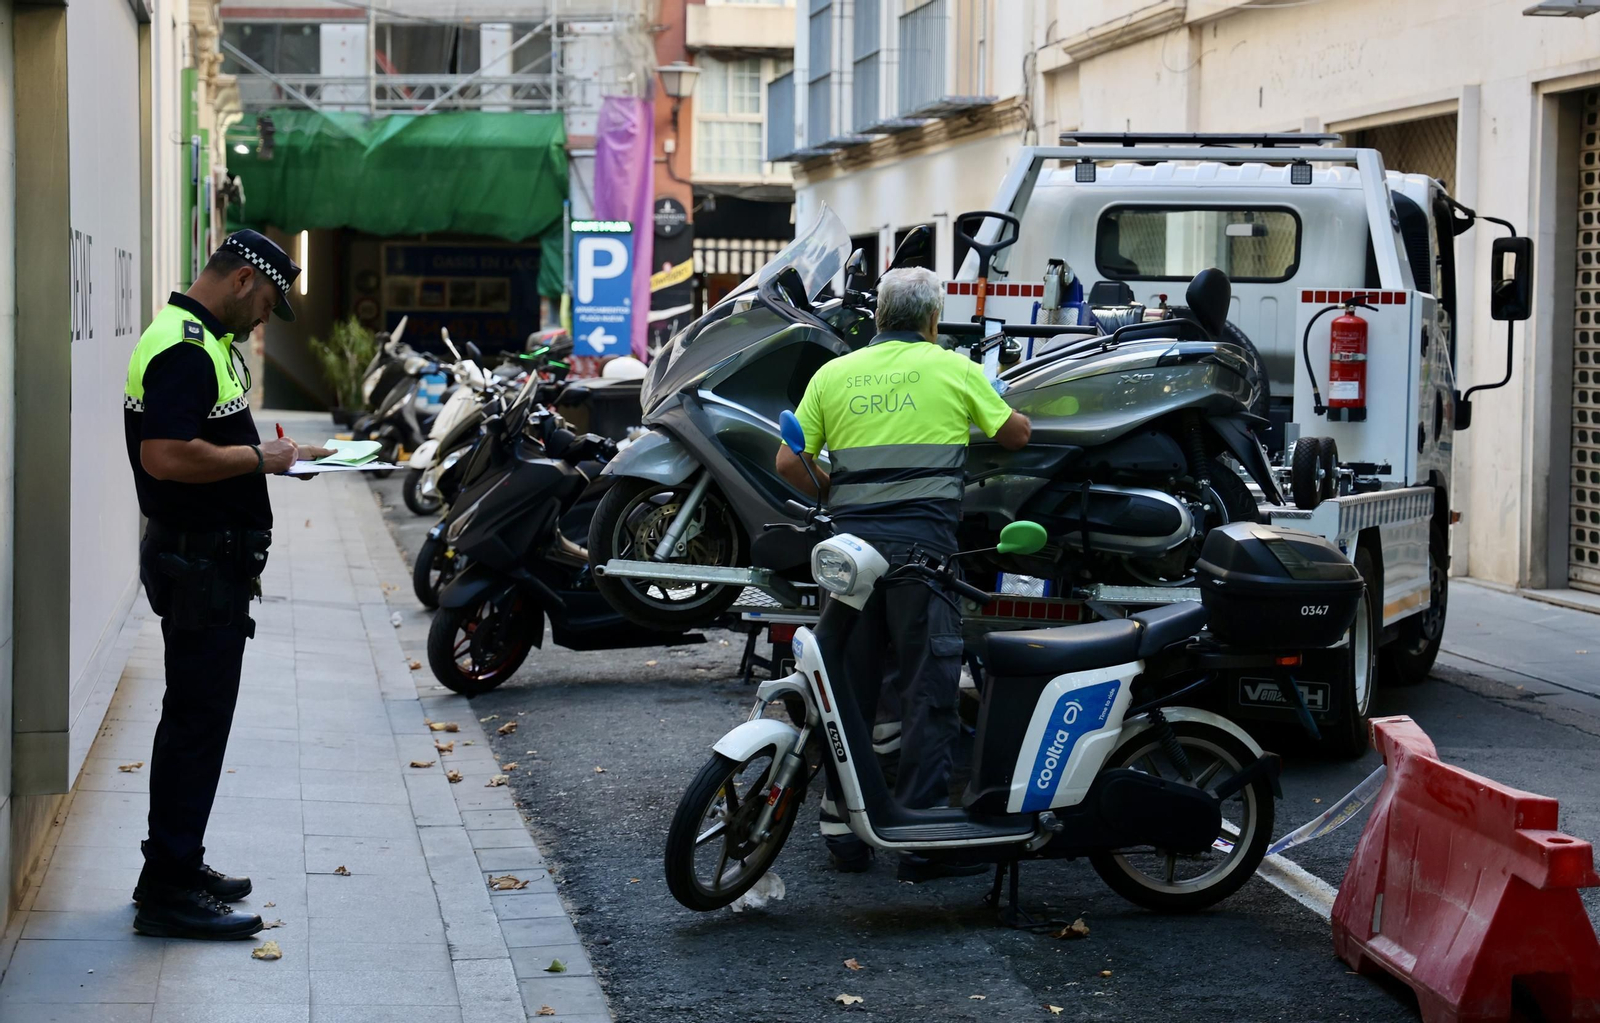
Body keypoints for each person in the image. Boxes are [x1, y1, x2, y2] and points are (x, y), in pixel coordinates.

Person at [775, 266, 1031, 882]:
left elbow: (789, 461)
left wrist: (843, 491)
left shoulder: (834, 374)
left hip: (850, 555)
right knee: (927, 689)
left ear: (880, 316)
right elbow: (1016, 435)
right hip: (923, 555)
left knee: (847, 688)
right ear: (933, 319)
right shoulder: (954, 369)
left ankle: (843, 830)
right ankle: (922, 838)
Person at [123, 230, 327, 939]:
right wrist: (259, 459)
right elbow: (165, 456)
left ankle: (175, 865)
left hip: (209, 564)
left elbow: (204, 441)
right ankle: (168, 890)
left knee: (197, 721)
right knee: (195, 723)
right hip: (198, 565)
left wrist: (280, 456)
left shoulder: (202, 340)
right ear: (243, 279)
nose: (265, 317)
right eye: (267, 301)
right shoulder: (185, 348)